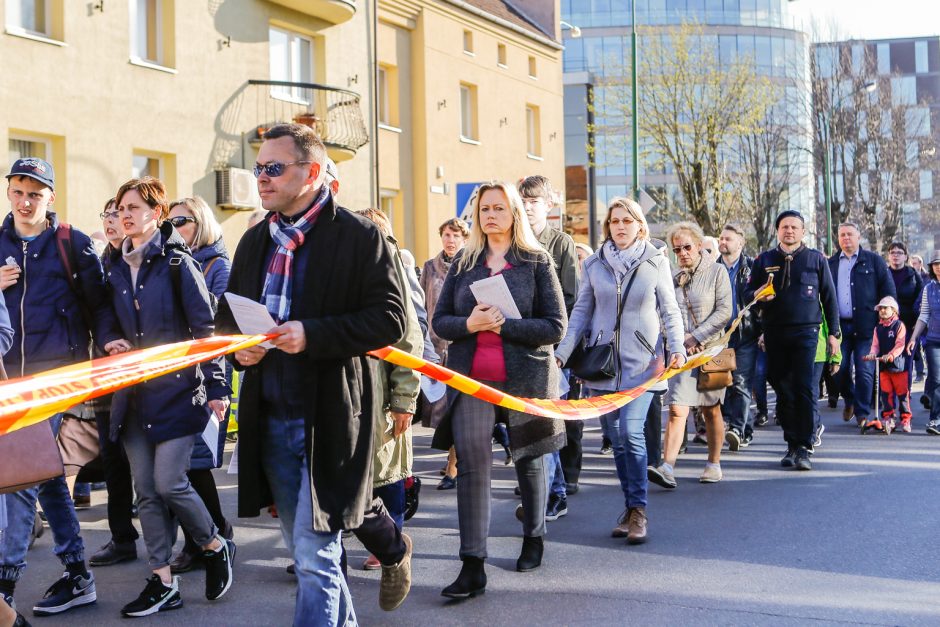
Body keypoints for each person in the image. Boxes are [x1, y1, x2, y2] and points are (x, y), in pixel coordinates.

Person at [214, 123, 407, 626]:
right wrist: (242, 352)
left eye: (274, 168)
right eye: (258, 168)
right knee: (309, 554)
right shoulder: (255, 239)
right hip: (271, 414)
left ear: (313, 172)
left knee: (314, 554)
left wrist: (312, 334)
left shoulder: (360, 236)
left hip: (331, 415)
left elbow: (390, 319)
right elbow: (229, 319)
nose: (261, 178)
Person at [0, 158, 129, 617]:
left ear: (50, 196)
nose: (25, 200)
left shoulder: (71, 243)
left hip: (56, 379)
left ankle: (4, 587)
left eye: (35, 192)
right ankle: (78, 574)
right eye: (18, 190)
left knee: (17, 477)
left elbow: (99, 303)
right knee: (46, 474)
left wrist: (110, 337)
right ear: (10, 192)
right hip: (7, 383)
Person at [106, 177, 234, 617]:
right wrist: (109, 340)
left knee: (169, 482)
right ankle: (162, 580)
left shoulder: (179, 264)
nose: (125, 214)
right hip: (132, 397)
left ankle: (215, 545)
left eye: (135, 207)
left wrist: (219, 388)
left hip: (179, 395)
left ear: (156, 215)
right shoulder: (115, 267)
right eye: (121, 207)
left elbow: (206, 332)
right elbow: (104, 316)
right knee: (146, 493)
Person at [432, 180, 566, 597]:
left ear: (514, 214)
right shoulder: (463, 263)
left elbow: (554, 326)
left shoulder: (536, 260)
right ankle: (473, 565)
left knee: (528, 459)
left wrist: (506, 325)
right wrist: (469, 324)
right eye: (485, 209)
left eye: (499, 208)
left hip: (525, 377)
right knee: (473, 464)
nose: (490, 215)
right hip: (472, 377)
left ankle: (534, 535)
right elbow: (440, 322)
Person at [556, 197, 685, 542]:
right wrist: (562, 353)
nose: (621, 227)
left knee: (631, 433)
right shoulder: (595, 264)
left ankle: (639, 511)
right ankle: (629, 507)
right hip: (602, 366)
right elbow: (581, 312)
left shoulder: (655, 261)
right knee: (616, 440)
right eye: (615, 221)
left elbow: (670, 310)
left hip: (643, 364)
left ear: (640, 225)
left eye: (627, 220)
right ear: (608, 227)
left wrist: (677, 347)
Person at [160, 196, 236, 574]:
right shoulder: (171, 260)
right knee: (185, 467)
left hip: (207, 373)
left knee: (195, 465)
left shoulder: (217, 265)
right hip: (177, 375)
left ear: (201, 222)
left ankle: (210, 537)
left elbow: (216, 321)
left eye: (183, 220)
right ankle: (207, 536)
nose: (174, 226)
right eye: (169, 221)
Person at [745, 210, 840, 471]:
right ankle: (790, 442)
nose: (789, 231)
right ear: (777, 230)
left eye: (794, 227)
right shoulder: (764, 260)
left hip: (807, 332)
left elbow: (829, 298)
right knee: (782, 388)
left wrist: (834, 335)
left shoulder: (815, 260)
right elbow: (747, 295)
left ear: (803, 231)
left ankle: (803, 446)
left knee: (804, 388)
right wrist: (757, 295)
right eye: (785, 227)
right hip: (774, 332)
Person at [519, 175, 581, 513]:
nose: (527, 207)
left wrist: (561, 348)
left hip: (552, 346)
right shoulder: (514, 241)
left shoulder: (560, 243)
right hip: (519, 342)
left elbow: (571, 298)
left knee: (550, 418)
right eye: (523, 201)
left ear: (548, 205)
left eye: (534, 201)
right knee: (521, 420)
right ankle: (537, 483)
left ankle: (554, 490)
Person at [654, 222, 731, 486]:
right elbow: (665, 312)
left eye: (687, 247)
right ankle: (667, 467)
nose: (683, 253)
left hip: (711, 351)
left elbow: (725, 311)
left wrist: (697, 337)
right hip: (682, 353)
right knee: (677, 409)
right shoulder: (673, 276)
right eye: (677, 249)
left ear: (699, 245)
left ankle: (714, 463)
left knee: (711, 410)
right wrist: (677, 340)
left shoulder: (717, 272)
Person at [88, 198, 141, 569]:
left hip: (138, 378)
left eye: (118, 214)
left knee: (151, 467)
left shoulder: (138, 262)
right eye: (106, 214)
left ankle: (209, 536)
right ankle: (122, 537)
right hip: (104, 378)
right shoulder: (100, 262)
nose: (111, 221)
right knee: (112, 460)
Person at [828, 223, 896, 425]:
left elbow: (888, 291)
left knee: (865, 372)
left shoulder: (873, 261)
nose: (846, 238)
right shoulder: (831, 263)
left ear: (858, 236)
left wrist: (887, 317)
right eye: (842, 235)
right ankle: (849, 399)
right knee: (838, 371)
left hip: (867, 328)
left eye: (850, 234)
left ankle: (862, 414)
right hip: (839, 328)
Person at [420, 217, 469, 489]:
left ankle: (453, 467)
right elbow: (422, 308)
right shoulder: (429, 267)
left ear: (464, 239)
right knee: (440, 410)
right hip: (436, 347)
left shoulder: (470, 266)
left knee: (457, 409)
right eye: (446, 235)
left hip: (461, 347)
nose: (450, 240)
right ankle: (454, 461)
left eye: (455, 236)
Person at [718, 223, 761, 451]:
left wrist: (762, 331)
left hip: (746, 334)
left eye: (728, 239)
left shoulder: (752, 268)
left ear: (740, 243)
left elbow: (760, 304)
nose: (723, 242)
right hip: (719, 337)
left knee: (741, 382)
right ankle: (746, 430)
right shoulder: (712, 268)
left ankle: (735, 429)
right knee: (723, 384)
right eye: (721, 238)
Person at [863, 297, 910, 433]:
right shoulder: (878, 328)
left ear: (894, 310)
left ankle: (905, 418)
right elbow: (875, 345)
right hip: (883, 366)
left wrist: (891, 355)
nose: (882, 311)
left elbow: (900, 344)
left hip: (898, 366)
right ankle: (888, 417)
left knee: (902, 394)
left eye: (885, 308)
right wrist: (872, 354)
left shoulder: (899, 325)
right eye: (880, 309)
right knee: (886, 394)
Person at [906, 252, 940, 434]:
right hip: (934, 340)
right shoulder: (929, 288)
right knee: (936, 377)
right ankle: (935, 419)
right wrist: (913, 338)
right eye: (935, 264)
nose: (938, 267)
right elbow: (924, 315)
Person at [886, 242, 923, 386]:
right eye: (892, 252)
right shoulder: (883, 274)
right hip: (887, 326)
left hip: (909, 326)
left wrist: (917, 321)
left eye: (899, 253)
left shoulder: (913, 275)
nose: (896, 255)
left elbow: (921, 299)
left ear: (905, 256)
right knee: (889, 361)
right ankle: (889, 395)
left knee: (907, 361)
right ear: (888, 256)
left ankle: (904, 395)